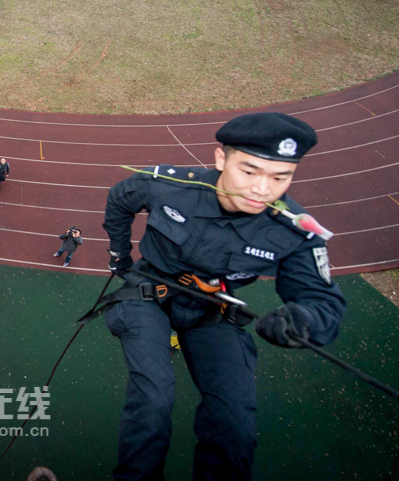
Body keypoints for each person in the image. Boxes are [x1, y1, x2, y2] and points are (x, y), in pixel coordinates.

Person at [101, 112, 346, 481]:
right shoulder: (170, 186)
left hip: (212, 309)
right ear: (221, 159)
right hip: (148, 293)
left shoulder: (295, 231)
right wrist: (119, 255)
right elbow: (120, 197)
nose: (262, 189)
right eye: (249, 171)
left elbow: (323, 302)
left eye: (280, 177)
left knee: (235, 425)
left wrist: (303, 320)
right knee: (152, 403)